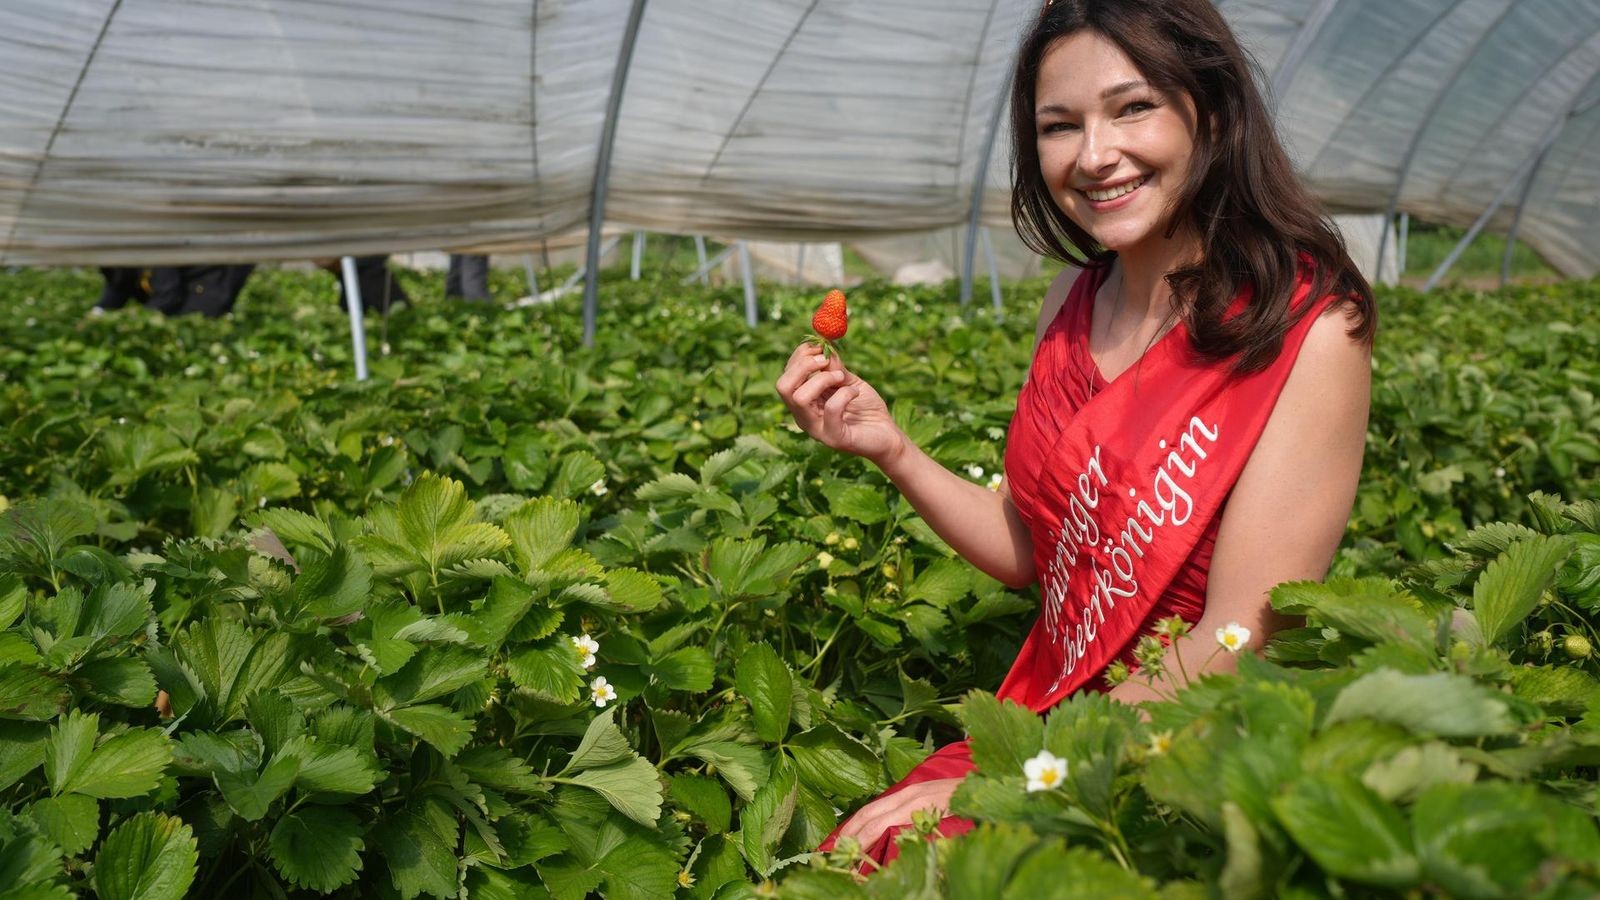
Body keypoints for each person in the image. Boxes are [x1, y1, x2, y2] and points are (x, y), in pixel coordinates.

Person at [776, 0, 1375, 869]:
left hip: (1170, 759)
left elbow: (1241, 636)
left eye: (1133, 108)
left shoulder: (1308, 330)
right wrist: (891, 448)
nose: (1094, 155)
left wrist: (1016, 775)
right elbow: (1034, 549)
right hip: (1043, 715)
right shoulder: (1072, 299)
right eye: (1060, 125)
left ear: (1211, 112)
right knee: (850, 865)